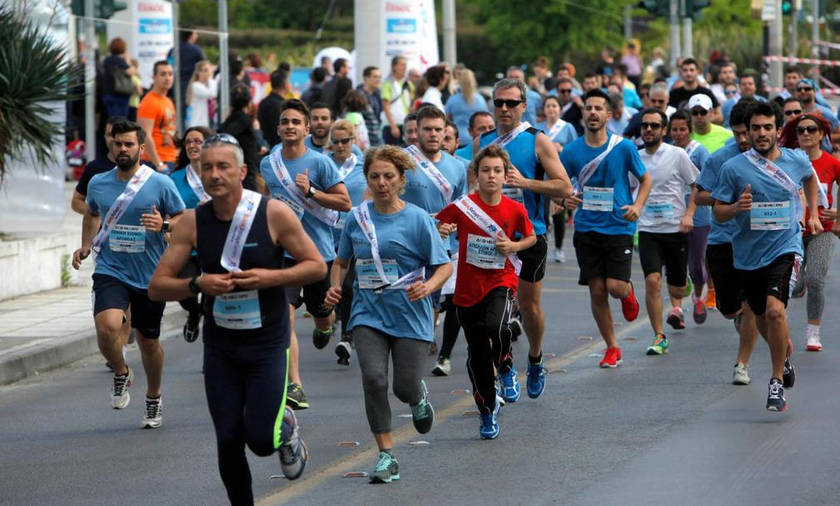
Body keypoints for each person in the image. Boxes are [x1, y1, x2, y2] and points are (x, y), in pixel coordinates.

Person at [148, 133, 319, 503]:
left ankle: (286, 427)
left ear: (241, 171)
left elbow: (316, 266)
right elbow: (157, 286)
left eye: (223, 166)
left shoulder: (273, 213)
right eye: (206, 167)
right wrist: (198, 283)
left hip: (268, 343)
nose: (214, 174)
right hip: (222, 346)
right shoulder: (192, 222)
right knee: (227, 439)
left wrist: (271, 278)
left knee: (259, 439)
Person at [324, 146, 451, 483]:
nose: (381, 183)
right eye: (375, 176)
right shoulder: (357, 217)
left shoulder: (418, 219)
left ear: (401, 180)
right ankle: (386, 456)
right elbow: (341, 262)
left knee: (403, 386)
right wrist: (335, 286)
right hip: (368, 313)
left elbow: (444, 265)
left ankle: (417, 396)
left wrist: (428, 287)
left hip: (410, 313)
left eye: (388, 177)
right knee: (374, 379)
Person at [71, 119, 186, 427]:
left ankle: (154, 396)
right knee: (107, 326)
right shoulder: (98, 182)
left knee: (149, 342)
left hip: (150, 273)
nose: (122, 149)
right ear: (111, 146)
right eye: (117, 144)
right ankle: (121, 371)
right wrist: (85, 246)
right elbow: (93, 213)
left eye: (129, 144)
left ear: (141, 148)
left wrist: (163, 225)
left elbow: (182, 218)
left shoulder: (160, 183)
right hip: (111, 268)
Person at [712, 101, 822, 411]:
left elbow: (810, 178)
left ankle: (776, 382)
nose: (761, 133)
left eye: (767, 127)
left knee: (775, 311)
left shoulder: (796, 160)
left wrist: (812, 213)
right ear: (747, 132)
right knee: (760, 315)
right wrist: (736, 208)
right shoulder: (733, 168)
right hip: (747, 254)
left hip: (785, 248)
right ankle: (783, 357)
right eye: (755, 128)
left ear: (777, 130)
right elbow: (719, 212)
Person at [479, 78, 573, 395]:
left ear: (523, 106)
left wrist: (525, 183)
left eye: (510, 103)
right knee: (494, 312)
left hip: (530, 236)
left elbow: (564, 187)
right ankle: (503, 367)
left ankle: (534, 358)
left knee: (528, 308)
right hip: (490, 240)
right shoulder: (484, 142)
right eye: (498, 103)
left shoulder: (537, 140)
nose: (503, 109)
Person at [435, 145, 535, 438]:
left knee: (498, 325)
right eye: (486, 171)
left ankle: (505, 365)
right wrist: (442, 230)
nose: (491, 176)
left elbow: (530, 238)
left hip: (500, 281)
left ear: (506, 176)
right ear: (476, 175)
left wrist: (513, 247)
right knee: (477, 355)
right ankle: (488, 410)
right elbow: (440, 224)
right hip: (467, 290)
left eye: (497, 171)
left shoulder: (515, 209)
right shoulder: (463, 206)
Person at [259, 99, 352, 410]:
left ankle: (325, 325)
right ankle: (295, 384)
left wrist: (311, 192)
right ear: (277, 128)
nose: (289, 127)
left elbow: (344, 203)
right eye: (285, 122)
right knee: (284, 315)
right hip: (282, 254)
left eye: (296, 122)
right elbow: (269, 201)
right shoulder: (268, 164)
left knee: (322, 313)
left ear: (306, 129)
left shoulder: (321, 163)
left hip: (318, 252)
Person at [560, 89, 651, 368]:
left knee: (614, 287)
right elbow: (559, 185)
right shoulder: (572, 150)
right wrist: (563, 198)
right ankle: (612, 347)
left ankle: (627, 291)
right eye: (588, 108)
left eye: (599, 108)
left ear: (609, 115)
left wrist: (637, 207)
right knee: (597, 290)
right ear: (583, 113)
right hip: (586, 227)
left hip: (618, 225)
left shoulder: (622, 147)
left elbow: (645, 180)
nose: (593, 113)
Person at [695, 98, 762, 386]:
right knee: (729, 308)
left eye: (747, 132)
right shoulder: (720, 158)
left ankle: (742, 364)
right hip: (722, 240)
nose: (743, 139)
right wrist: (727, 198)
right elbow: (699, 196)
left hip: (758, 240)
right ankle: (744, 321)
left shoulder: (773, 158)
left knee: (754, 304)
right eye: (737, 133)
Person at [635, 109, 699, 354]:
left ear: (664, 130)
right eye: (645, 125)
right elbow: (629, 187)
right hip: (648, 228)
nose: (648, 129)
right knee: (652, 281)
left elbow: (696, 185)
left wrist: (689, 214)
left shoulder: (677, 154)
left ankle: (683, 284)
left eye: (654, 125)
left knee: (676, 287)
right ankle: (659, 336)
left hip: (675, 227)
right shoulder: (636, 157)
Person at [780, 114, 840, 351]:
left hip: (821, 231)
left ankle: (813, 333)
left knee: (816, 279)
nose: (806, 134)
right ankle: (779, 328)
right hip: (791, 231)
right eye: (801, 130)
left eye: (811, 129)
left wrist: (837, 216)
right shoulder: (786, 161)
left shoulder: (832, 163)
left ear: (821, 134)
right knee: (792, 286)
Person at [327, 120, 367, 366]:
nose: (340, 146)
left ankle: (347, 337)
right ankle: (330, 322)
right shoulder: (323, 164)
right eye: (336, 141)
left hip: (353, 233)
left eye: (345, 141)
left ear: (354, 141)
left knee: (349, 285)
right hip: (325, 233)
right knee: (328, 287)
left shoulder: (363, 167)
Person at [169, 126, 214, 341]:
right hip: (186, 245)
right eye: (188, 142)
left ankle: (213, 356)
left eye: (198, 141)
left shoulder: (218, 172)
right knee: (183, 289)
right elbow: (168, 212)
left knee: (212, 302)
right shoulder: (175, 178)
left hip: (215, 245)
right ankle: (193, 312)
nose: (192, 146)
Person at [668, 110, 713, 324]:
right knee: (675, 263)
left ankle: (698, 295)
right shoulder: (665, 152)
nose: (678, 134)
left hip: (699, 216)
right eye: (674, 129)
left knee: (696, 264)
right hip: (671, 214)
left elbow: (708, 182)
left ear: (690, 130)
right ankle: (676, 308)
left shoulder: (699, 152)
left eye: (682, 129)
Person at [219, 84, 261, 191]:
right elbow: (257, 147)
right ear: (249, 102)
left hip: (227, 176)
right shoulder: (248, 122)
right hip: (246, 178)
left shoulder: (225, 124)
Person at [138, 61, 177, 173]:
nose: (167, 78)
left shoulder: (168, 101)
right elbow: (145, 135)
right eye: (163, 74)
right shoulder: (149, 102)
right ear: (154, 77)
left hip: (169, 158)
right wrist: (158, 163)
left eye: (170, 74)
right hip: (155, 162)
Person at [167, 30, 206, 124]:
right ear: (191, 35)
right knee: (189, 114)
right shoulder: (196, 49)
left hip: (174, 84)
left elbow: (168, 64)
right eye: (196, 33)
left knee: (176, 112)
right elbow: (204, 64)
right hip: (189, 85)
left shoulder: (174, 49)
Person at [669, 58, 722, 124]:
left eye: (691, 70)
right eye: (685, 70)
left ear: (697, 71)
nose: (688, 73)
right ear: (681, 72)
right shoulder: (674, 94)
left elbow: (719, 116)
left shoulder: (706, 92)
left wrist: (701, 121)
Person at [445, 68, 488, 146]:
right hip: (478, 139)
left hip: (459, 140)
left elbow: (447, 121)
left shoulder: (452, 99)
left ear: (459, 81)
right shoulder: (481, 99)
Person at [381, 56, 415, 146]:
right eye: (402, 65)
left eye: (405, 65)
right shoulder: (387, 83)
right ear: (394, 66)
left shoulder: (408, 83)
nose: (404, 67)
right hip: (392, 124)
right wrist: (393, 126)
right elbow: (386, 105)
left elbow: (411, 102)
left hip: (405, 122)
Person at [101, 38, 134, 119]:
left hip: (107, 94)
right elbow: (131, 71)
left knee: (112, 119)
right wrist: (128, 60)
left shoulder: (106, 60)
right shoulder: (120, 61)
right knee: (121, 121)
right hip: (120, 94)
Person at [258, 68, 288, 148]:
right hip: (280, 149)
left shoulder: (263, 103)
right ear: (285, 84)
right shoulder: (284, 106)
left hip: (265, 148)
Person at [186, 60, 218, 129]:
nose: (208, 72)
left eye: (208, 70)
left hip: (207, 122)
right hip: (197, 123)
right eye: (205, 70)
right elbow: (212, 93)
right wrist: (211, 77)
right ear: (198, 72)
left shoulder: (208, 84)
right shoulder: (196, 85)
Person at [357, 66, 383, 146]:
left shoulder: (378, 94)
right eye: (375, 77)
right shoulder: (358, 95)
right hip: (363, 138)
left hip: (376, 136)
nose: (378, 80)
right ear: (366, 78)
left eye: (379, 77)